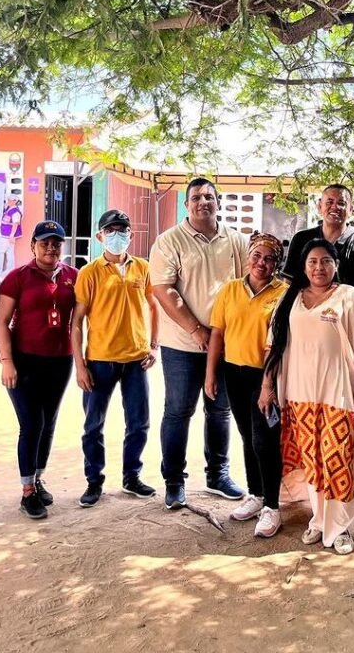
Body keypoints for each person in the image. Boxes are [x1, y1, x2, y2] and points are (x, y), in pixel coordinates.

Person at [262, 238, 354, 554]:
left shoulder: (349, 297)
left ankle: (340, 528)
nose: (318, 267)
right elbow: (274, 347)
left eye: (325, 260)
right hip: (300, 395)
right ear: (303, 266)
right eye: (312, 261)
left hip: (338, 393)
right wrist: (267, 386)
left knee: (338, 459)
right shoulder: (291, 300)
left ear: (336, 264)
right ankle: (319, 521)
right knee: (314, 462)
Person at [151, 178, 249, 509]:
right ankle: (174, 481)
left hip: (225, 343)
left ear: (218, 202)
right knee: (178, 411)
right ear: (186, 204)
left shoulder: (235, 241)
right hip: (181, 344)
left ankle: (218, 475)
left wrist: (221, 333)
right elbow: (164, 290)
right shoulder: (169, 241)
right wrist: (196, 329)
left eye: (209, 196)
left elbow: (247, 285)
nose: (202, 202)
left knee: (220, 411)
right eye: (195, 197)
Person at [73, 210, 159, 507]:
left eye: (122, 230)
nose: (117, 235)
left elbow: (154, 306)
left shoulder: (143, 268)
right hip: (100, 360)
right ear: (100, 236)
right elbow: (76, 322)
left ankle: (131, 476)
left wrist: (153, 345)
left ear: (131, 235)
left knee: (139, 423)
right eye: (111, 230)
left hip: (136, 360)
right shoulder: (89, 273)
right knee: (93, 425)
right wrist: (80, 365)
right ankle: (94, 481)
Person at [205, 232, 288, 537]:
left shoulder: (284, 293)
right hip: (233, 372)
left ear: (276, 263)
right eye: (256, 256)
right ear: (248, 257)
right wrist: (210, 374)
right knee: (246, 436)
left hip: (265, 377)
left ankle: (273, 507)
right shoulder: (229, 290)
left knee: (265, 441)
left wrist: (269, 386)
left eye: (269, 258)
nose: (261, 263)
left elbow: (278, 344)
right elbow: (217, 334)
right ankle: (257, 495)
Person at [0, 220, 78, 520]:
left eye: (57, 243)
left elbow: (80, 322)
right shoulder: (16, 277)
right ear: (33, 246)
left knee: (49, 423)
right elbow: (1, 322)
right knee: (31, 424)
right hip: (23, 362)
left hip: (60, 361)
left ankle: (38, 477)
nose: (51, 248)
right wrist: (7, 362)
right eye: (45, 242)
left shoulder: (74, 277)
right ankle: (27, 491)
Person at [282, 184, 354, 292]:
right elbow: (288, 282)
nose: (335, 207)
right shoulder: (301, 239)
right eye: (329, 202)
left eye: (341, 203)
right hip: (302, 306)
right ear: (320, 207)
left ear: (350, 209)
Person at [0, 195, 23, 273]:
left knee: (1, 252)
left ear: (15, 201)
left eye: (10, 200)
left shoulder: (15, 212)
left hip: (7, 236)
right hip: (6, 235)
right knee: (9, 253)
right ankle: (10, 271)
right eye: (8, 199)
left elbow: (15, 224)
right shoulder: (9, 209)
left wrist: (11, 235)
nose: (8, 201)